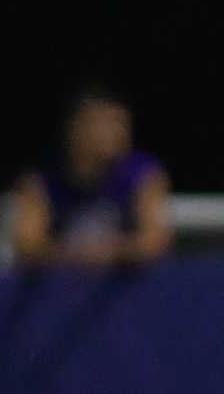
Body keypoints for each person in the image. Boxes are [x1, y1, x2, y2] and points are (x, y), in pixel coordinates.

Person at [9, 87, 173, 268]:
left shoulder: (143, 173)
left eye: (122, 124)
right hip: (60, 287)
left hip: (128, 289)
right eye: (106, 124)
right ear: (75, 128)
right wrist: (77, 255)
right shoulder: (41, 179)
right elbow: (27, 244)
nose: (118, 133)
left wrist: (111, 252)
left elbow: (154, 241)